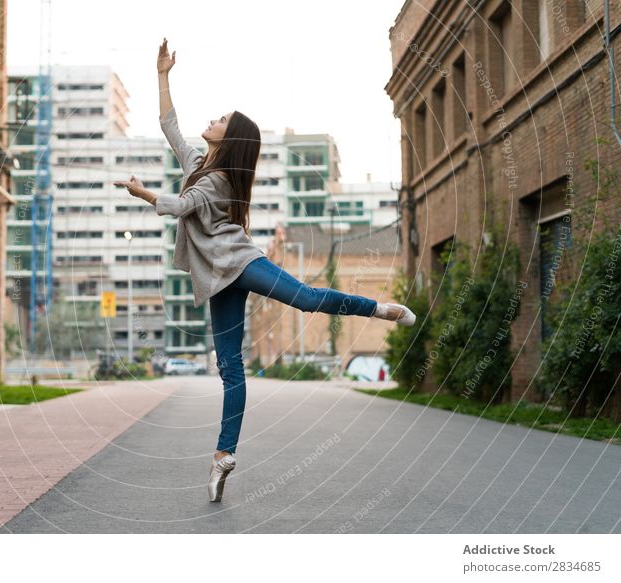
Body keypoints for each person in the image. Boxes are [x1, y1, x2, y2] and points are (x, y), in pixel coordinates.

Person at [114, 38, 416, 503]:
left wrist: (145, 194)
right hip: (218, 279)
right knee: (230, 369)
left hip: (241, 263)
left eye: (220, 120)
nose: (211, 121)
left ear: (228, 137)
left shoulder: (215, 180)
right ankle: (222, 458)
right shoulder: (199, 164)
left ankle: (380, 309)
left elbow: (181, 206)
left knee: (307, 299)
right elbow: (169, 125)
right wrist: (162, 75)